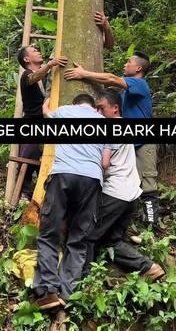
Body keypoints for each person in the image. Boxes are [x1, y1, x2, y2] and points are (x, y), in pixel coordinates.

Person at [32, 93, 112, 310]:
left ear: (75, 103)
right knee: (78, 238)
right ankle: (67, 294)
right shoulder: (104, 123)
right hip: (92, 180)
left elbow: (46, 112)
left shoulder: (65, 111)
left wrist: (47, 99)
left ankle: (48, 291)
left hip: (63, 175)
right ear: (93, 106)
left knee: (49, 233)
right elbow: (105, 163)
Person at [63, 51, 159, 226]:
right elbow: (106, 92)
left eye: (128, 62)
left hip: (143, 142)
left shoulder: (139, 84)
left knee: (148, 182)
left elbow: (112, 79)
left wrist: (84, 73)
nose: (125, 64)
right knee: (129, 181)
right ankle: (130, 223)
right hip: (126, 145)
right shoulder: (124, 94)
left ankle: (151, 225)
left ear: (138, 68)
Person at [84, 89, 164, 279]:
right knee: (111, 241)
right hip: (131, 195)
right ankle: (149, 267)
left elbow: (104, 164)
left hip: (115, 193)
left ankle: (83, 280)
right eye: (96, 108)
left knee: (87, 235)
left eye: (101, 108)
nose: (98, 113)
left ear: (115, 108)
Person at [17, 46, 67, 199]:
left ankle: (39, 194)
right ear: (26, 59)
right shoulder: (27, 75)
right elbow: (33, 78)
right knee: (27, 157)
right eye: (34, 51)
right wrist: (50, 65)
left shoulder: (44, 77)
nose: (38, 52)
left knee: (41, 158)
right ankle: (23, 193)